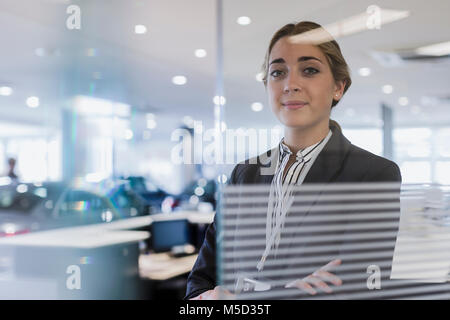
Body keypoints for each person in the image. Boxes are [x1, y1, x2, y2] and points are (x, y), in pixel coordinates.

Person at [185, 21, 401, 300]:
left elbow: (356, 288)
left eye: (309, 70)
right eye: (278, 72)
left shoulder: (372, 174)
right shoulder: (244, 174)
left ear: (338, 87)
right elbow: (201, 279)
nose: (290, 84)